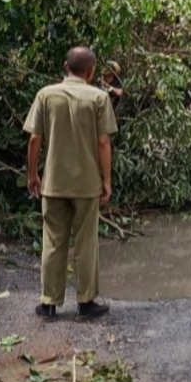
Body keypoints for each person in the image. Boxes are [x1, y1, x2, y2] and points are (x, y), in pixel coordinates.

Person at [23, 47, 118, 320]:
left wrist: (32, 175)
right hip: (87, 184)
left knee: (53, 240)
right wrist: (106, 180)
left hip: (53, 183)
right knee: (86, 242)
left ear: (66, 66)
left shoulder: (46, 95)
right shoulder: (99, 98)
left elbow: (34, 140)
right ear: (90, 71)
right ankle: (86, 302)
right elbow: (103, 142)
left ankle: (49, 302)